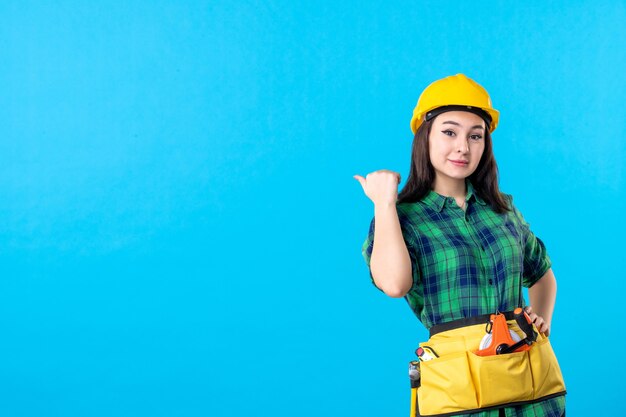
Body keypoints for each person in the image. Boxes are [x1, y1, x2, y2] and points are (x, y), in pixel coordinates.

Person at [354, 74, 566, 417]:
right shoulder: (402, 217)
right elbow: (394, 285)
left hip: (529, 384)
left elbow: (542, 274)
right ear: (425, 136)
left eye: (475, 136)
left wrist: (540, 322)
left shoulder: (503, 210)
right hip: (461, 392)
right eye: (449, 132)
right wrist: (383, 203)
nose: (463, 147)